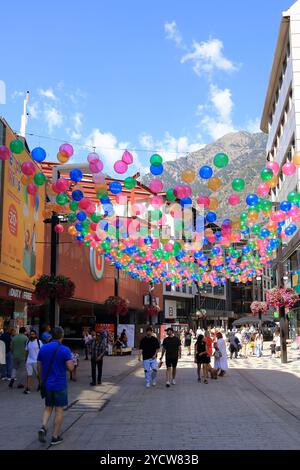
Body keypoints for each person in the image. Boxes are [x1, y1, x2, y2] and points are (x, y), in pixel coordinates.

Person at [37, 326, 74, 446]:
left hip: (47, 383)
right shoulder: (65, 350)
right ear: (62, 336)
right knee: (59, 410)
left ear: (52, 335)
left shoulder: (43, 348)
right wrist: (72, 361)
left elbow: (39, 366)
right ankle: (55, 436)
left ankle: (43, 427)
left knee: (48, 407)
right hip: (59, 384)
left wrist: (41, 379)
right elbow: (71, 367)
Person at [24, 330, 43, 394]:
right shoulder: (28, 342)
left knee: (38, 375)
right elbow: (26, 351)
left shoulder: (39, 342)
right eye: (31, 334)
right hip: (29, 361)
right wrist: (26, 359)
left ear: (35, 335)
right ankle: (28, 388)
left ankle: (40, 385)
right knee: (29, 375)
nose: (31, 335)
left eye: (33, 334)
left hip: (36, 361)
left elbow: (42, 351)